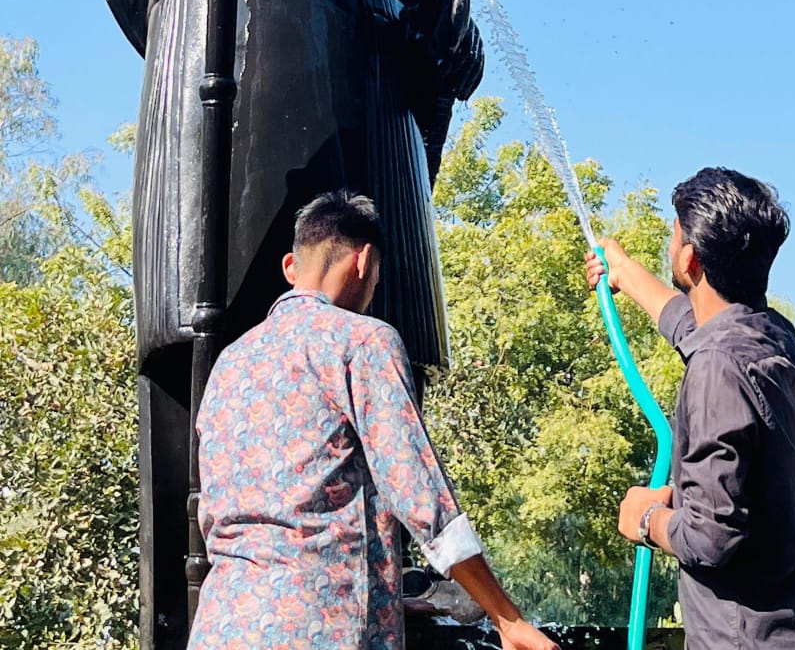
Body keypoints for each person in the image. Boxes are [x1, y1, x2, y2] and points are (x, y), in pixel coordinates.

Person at [86, 0, 482, 647]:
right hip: (239, 59)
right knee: (220, 324)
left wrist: (442, 29)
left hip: (362, 83)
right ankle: (205, 571)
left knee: (373, 336)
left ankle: (398, 578)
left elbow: (402, 0)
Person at [189, 190, 557, 650]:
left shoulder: (229, 363)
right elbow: (419, 493)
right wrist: (508, 619)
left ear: (291, 268)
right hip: (321, 631)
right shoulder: (363, 341)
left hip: (221, 624)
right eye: (377, 278)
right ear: (363, 263)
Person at [584, 167, 795, 650]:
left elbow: (711, 538)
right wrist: (626, 272)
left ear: (689, 257)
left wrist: (646, 521)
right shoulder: (779, 341)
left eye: (673, 234)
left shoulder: (716, 367)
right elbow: (697, 327)